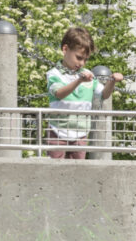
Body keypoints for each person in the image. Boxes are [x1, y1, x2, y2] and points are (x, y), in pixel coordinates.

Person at [44, 26, 122, 159]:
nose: (81, 63)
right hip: (57, 132)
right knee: (54, 172)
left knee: (78, 172)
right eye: (79, 58)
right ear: (65, 49)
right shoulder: (54, 74)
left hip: (80, 134)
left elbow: (104, 94)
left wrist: (112, 81)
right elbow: (59, 93)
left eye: (85, 59)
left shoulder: (88, 75)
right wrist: (79, 81)